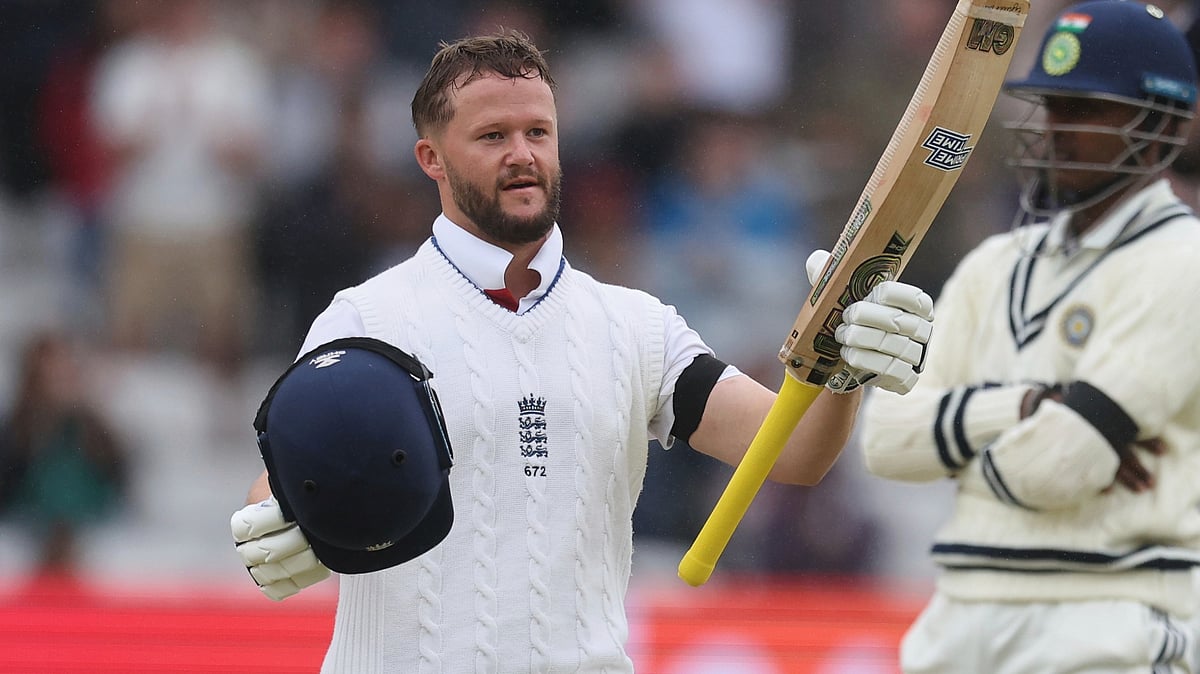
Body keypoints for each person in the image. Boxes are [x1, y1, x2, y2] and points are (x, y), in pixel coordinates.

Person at [230, 30, 935, 672]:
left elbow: (798, 450)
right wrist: (278, 520)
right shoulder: (368, 318)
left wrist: (843, 365)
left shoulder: (635, 327)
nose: (522, 154)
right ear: (431, 159)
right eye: (493, 136)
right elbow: (281, 482)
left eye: (538, 131)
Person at [859, 3, 1200, 672]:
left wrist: (953, 442)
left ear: (1161, 125)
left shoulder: (1184, 261)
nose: (1054, 130)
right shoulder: (993, 264)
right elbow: (886, 442)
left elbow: (1056, 469)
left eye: (1085, 109)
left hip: (1111, 615)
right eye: (1049, 105)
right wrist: (1025, 405)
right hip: (955, 616)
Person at [0, 331, 129, 576]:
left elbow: (118, 487)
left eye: (66, 369)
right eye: (52, 372)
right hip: (28, 535)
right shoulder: (16, 432)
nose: (61, 377)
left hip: (90, 533)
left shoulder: (97, 432)